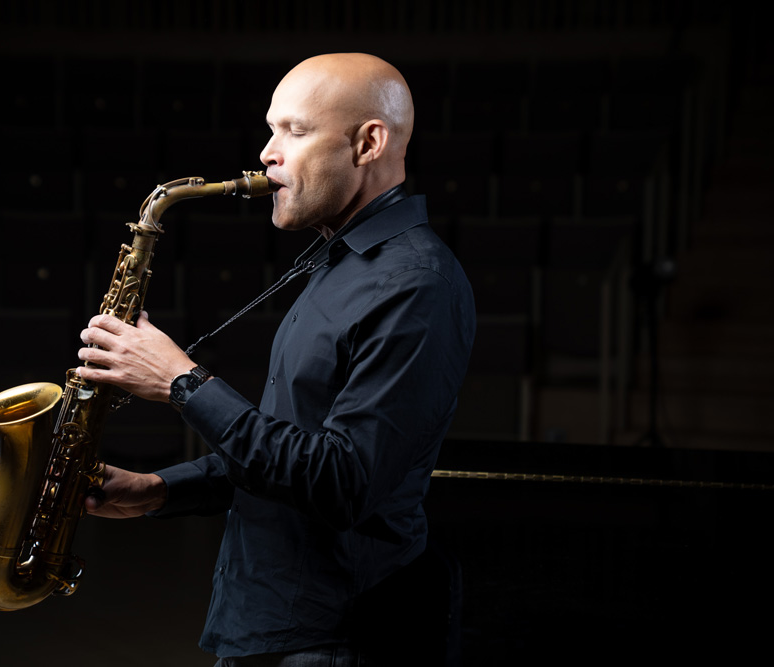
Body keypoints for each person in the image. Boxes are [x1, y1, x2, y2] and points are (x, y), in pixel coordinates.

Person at [75, 53, 475, 666]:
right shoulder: (339, 264)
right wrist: (157, 490)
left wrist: (180, 381)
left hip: (331, 636)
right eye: (270, 129)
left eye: (294, 131)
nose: (266, 152)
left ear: (368, 143)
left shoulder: (416, 284)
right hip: (271, 622)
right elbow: (292, 449)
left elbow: (342, 483)